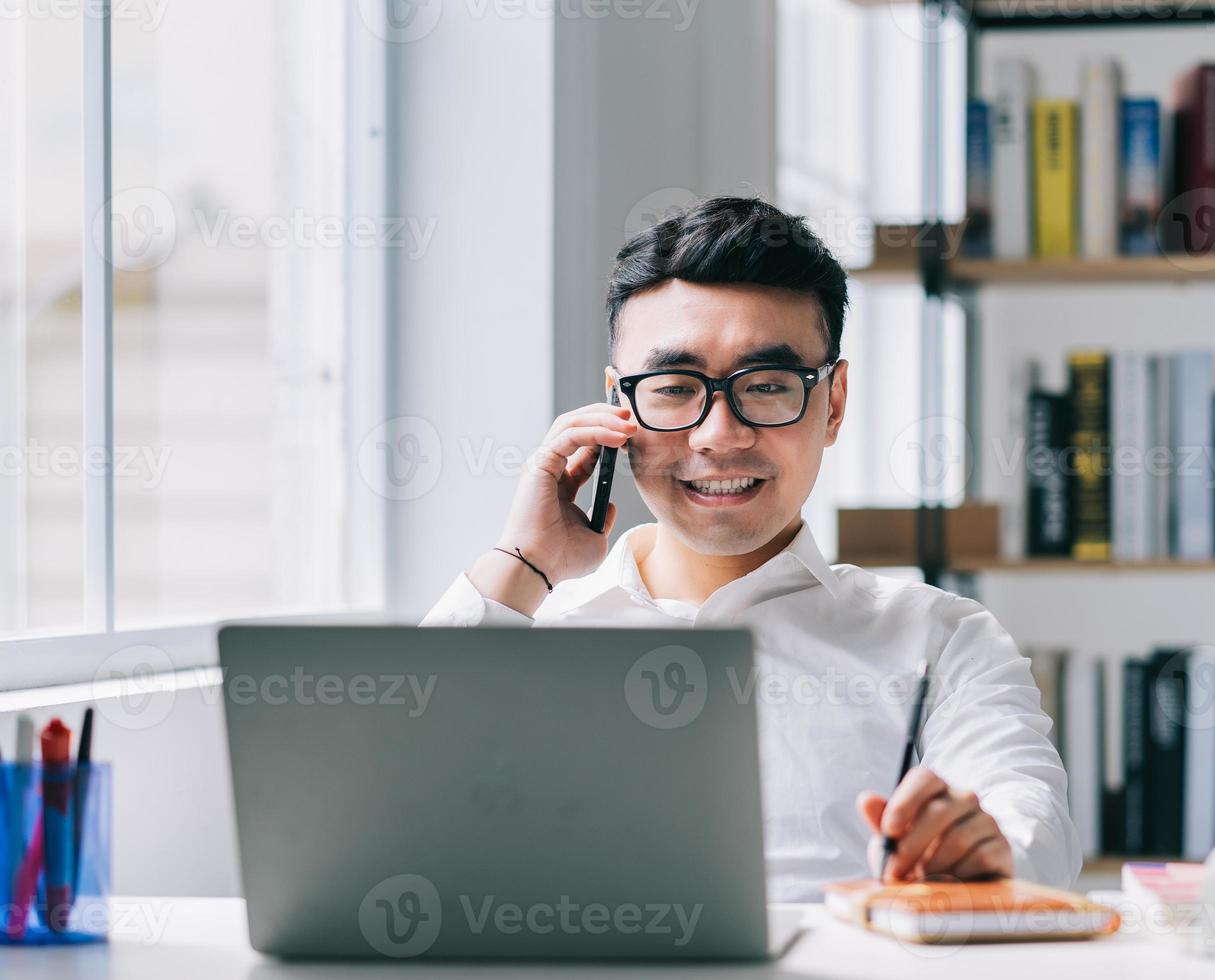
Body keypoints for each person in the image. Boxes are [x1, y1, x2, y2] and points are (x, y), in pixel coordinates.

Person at [422, 196, 1080, 902]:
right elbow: (384, 810)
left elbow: (1032, 833)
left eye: (766, 386)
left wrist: (982, 860)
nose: (719, 434)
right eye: (675, 388)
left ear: (833, 403)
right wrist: (521, 564)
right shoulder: (522, 627)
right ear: (618, 405)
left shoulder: (940, 638)